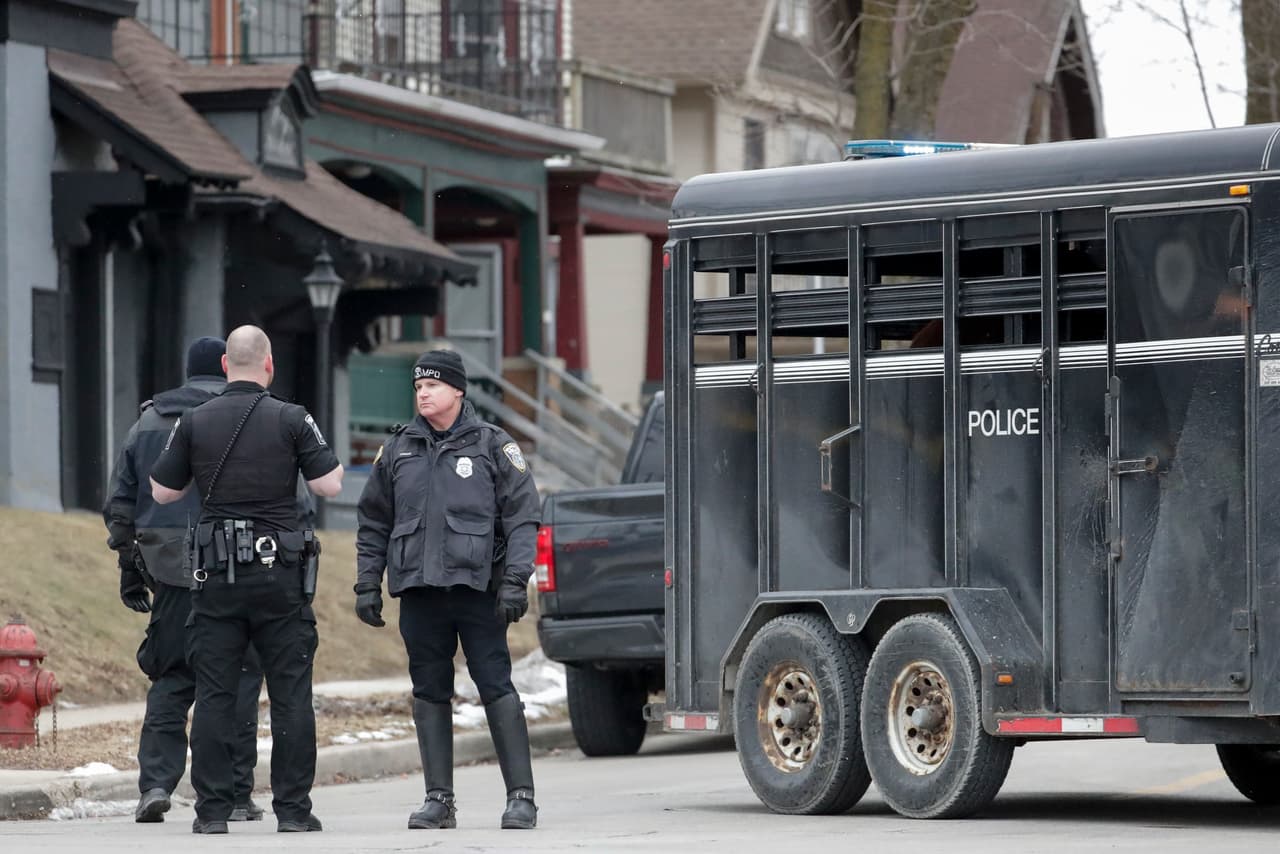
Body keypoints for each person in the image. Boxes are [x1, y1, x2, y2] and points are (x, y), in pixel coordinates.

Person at [150, 325, 344, 835]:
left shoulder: (194, 419)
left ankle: (212, 812)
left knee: (215, 692)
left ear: (224, 366)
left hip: (217, 576)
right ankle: (293, 811)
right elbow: (329, 484)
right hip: (281, 576)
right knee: (290, 694)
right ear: (269, 364)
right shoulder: (292, 417)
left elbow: (162, 492)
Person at [354, 349, 541, 831]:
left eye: (433, 385)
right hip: (420, 592)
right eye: (418, 386)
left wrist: (515, 580)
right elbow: (373, 521)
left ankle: (521, 797)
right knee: (429, 691)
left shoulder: (493, 445)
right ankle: (438, 800)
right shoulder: (397, 449)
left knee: (495, 685)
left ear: (458, 390)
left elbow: (523, 517)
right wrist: (367, 582)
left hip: (478, 591)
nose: (423, 393)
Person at [102, 337, 266, 825]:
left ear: (187, 371)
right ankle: (235, 793)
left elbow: (121, 505)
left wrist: (130, 570)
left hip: (170, 567)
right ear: (226, 366)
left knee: (172, 677)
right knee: (237, 678)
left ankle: (155, 783)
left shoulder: (150, 421)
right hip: (235, 566)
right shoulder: (250, 415)